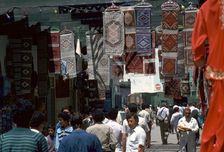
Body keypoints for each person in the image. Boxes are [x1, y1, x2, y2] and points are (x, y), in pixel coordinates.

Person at [192, 0, 224, 151]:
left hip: (218, 67)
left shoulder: (207, 7)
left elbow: (198, 44)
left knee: (218, 115)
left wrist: (200, 59)